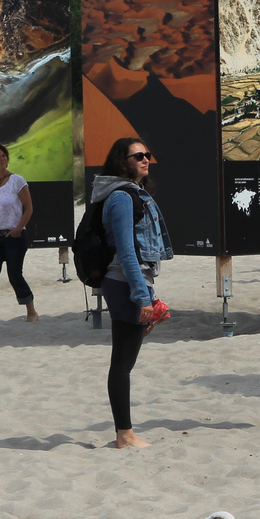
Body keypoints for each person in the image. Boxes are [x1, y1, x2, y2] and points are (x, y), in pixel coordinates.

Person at [90, 137, 173, 449]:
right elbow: (126, 252)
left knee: (124, 360)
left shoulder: (132, 194)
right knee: (122, 363)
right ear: (121, 161)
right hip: (124, 282)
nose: (145, 159)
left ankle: (124, 432)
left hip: (131, 281)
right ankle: (124, 435)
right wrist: (142, 296)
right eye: (137, 155)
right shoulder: (122, 198)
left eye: (147, 154)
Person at [0, 142, 38, 328]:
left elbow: (28, 208)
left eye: (4, 155)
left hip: (13, 237)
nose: (2, 158)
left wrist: (19, 228)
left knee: (14, 275)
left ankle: (31, 311)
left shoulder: (17, 181)